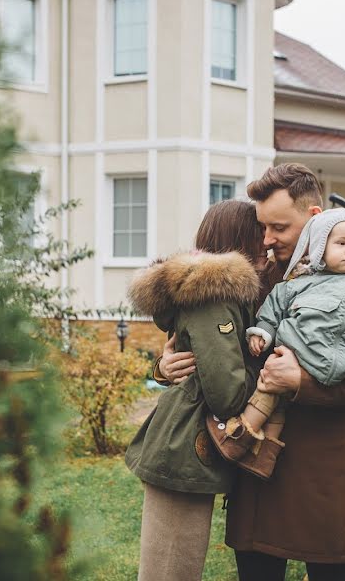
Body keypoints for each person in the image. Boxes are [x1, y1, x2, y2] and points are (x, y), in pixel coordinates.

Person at [156, 163, 345, 581]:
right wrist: (164, 367)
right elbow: (211, 342)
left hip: (325, 475)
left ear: (311, 221)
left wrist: (302, 383)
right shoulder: (257, 276)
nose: (267, 240)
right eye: (262, 228)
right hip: (258, 477)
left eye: (278, 228)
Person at [124, 200, 273, 581]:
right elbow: (226, 393)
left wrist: (162, 369)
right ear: (239, 240)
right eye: (260, 235)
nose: (267, 243)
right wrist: (274, 377)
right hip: (183, 448)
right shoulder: (213, 297)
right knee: (171, 570)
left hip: (183, 443)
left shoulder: (213, 293)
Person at [214, 208, 345, 479]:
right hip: (283, 358)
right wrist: (262, 332)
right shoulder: (295, 283)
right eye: (342, 244)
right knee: (269, 400)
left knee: (270, 395)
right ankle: (255, 452)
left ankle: (237, 438)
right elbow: (272, 311)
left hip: (332, 371)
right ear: (318, 247)